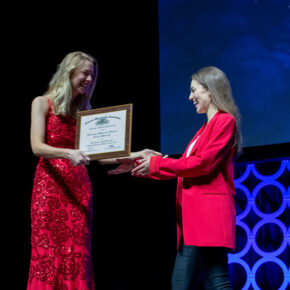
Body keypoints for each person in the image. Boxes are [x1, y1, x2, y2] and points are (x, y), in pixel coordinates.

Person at [27, 51, 161, 290]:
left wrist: (135, 154)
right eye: (85, 73)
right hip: (49, 190)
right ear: (69, 72)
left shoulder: (84, 112)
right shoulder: (41, 103)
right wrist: (67, 153)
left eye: (93, 75)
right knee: (46, 253)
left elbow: (100, 156)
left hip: (78, 191)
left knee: (77, 254)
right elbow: (37, 146)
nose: (89, 79)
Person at [130, 66, 242, 289]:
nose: (190, 97)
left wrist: (155, 164)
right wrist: (141, 166)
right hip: (192, 221)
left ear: (211, 90)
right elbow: (184, 168)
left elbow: (201, 165)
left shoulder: (224, 121)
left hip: (208, 217)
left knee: (217, 282)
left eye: (194, 91)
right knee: (181, 284)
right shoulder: (203, 130)